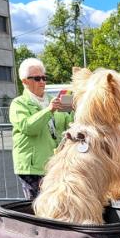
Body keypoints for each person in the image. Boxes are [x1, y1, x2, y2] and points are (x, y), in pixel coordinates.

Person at [10, 58, 73, 199]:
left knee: (56, 205)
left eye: (44, 78)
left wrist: (74, 109)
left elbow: (68, 124)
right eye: (37, 78)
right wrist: (49, 110)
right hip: (32, 168)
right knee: (37, 208)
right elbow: (28, 127)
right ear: (24, 81)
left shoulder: (54, 99)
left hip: (54, 164)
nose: (43, 82)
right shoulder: (18, 103)